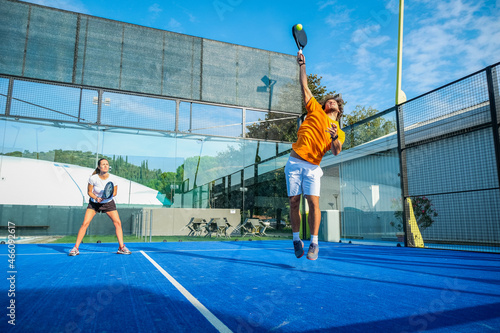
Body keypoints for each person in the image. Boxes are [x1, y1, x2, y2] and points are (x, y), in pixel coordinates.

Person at [284, 51, 345, 260]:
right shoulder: (315, 112)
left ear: (339, 110)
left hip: (312, 168)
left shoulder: (339, 131)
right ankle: (295, 239)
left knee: (313, 203)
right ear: (323, 106)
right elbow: (304, 87)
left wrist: (335, 137)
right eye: (328, 101)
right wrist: (302, 64)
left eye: (335, 102)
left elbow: (337, 151)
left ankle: (314, 243)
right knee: (293, 202)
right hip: (294, 161)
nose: (331, 102)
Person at [69, 158, 131, 256]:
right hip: (94, 203)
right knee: (85, 223)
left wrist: (107, 196)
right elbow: (89, 192)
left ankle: (121, 247)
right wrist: (96, 198)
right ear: (99, 167)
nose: (106, 166)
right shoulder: (93, 178)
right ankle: (75, 248)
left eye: (107, 164)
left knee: (117, 223)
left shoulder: (113, 179)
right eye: (103, 164)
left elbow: (114, 192)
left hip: (108, 203)